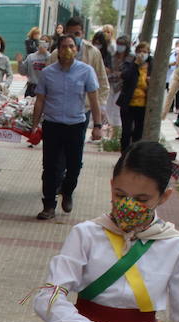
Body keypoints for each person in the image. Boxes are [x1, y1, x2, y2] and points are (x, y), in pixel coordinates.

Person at [30, 141, 179, 322]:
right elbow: (48, 298)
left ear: (164, 197)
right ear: (112, 186)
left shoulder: (176, 246)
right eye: (120, 195)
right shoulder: (86, 234)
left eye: (142, 199)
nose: (128, 206)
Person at [30, 35, 104, 220]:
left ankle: (68, 191)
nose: (67, 50)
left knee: (74, 165)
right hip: (53, 125)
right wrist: (34, 124)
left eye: (71, 46)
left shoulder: (86, 71)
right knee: (50, 167)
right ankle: (48, 205)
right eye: (64, 47)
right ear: (58, 50)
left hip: (76, 125)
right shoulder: (48, 73)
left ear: (76, 49)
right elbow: (40, 100)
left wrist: (98, 125)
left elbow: (94, 100)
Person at [47, 17, 111, 127]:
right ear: (65, 33)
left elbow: (102, 80)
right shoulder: (55, 54)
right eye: (70, 33)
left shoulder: (93, 53)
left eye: (77, 34)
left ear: (82, 33)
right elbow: (47, 81)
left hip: (83, 109)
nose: (74, 37)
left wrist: (101, 106)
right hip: (57, 110)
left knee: (76, 143)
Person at [117, 41, 152, 152]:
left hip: (143, 105)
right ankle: (124, 155)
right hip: (128, 104)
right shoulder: (130, 64)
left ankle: (134, 156)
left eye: (145, 52)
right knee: (126, 132)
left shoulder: (152, 65)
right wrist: (136, 64)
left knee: (138, 132)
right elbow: (125, 76)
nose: (142, 54)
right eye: (139, 51)